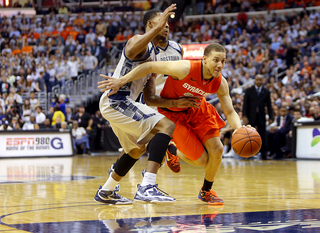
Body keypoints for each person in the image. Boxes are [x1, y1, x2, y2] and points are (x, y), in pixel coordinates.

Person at [99, 43, 246, 205]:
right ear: (204, 59)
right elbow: (149, 66)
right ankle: (172, 149)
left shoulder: (221, 82)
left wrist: (240, 129)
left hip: (198, 110)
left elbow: (230, 112)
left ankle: (206, 191)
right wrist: (121, 80)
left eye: (223, 61)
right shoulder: (184, 68)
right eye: (216, 60)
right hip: (173, 114)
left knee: (218, 150)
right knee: (202, 160)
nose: (220, 65)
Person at [95, 5, 198, 205]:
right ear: (150, 25)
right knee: (166, 125)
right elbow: (133, 49)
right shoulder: (137, 41)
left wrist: (177, 102)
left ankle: (106, 191)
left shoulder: (154, 57)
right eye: (162, 23)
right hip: (117, 101)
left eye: (168, 24)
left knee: (135, 150)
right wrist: (155, 28)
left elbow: (150, 98)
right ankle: (147, 186)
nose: (167, 27)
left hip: (124, 105)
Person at [242, 75, 274, 160]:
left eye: (260, 80)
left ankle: (264, 153)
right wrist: (244, 116)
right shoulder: (249, 91)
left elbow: (269, 106)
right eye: (257, 80)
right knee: (249, 135)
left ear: (263, 80)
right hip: (250, 116)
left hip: (261, 116)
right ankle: (248, 153)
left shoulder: (266, 92)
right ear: (254, 80)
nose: (259, 81)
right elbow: (245, 104)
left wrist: (271, 116)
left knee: (262, 135)